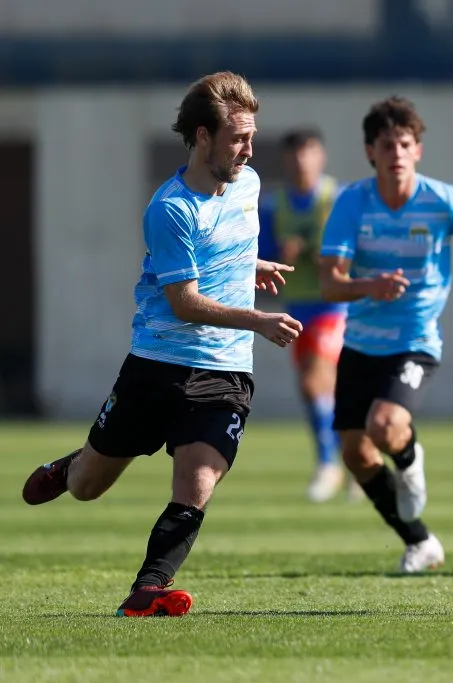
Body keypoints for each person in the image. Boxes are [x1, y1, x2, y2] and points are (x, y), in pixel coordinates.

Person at [20, 71, 303, 617]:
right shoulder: (170, 209)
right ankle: (75, 465)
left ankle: (148, 588)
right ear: (202, 136)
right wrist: (257, 320)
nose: (248, 150)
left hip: (224, 371)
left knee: (199, 479)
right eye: (237, 138)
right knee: (88, 487)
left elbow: (228, 243)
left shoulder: (248, 184)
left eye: (251, 136)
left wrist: (252, 265)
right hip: (156, 365)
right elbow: (184, 302)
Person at [319, 96, 453, 573]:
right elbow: (330, 282)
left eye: (404, 143)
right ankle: (420, 541)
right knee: (356, 454)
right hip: (359, 343)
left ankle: (410, 458)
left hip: (414, 341)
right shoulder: (352, 202)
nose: (396, 152)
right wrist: (369, 286)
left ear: (418, 150)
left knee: (385, 427)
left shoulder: (440, 200)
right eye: (386, 144)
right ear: (370, 152)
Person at [258, 128, 362, 503]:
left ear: (321, 156)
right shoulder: (273, 205)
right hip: (297, 305)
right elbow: (260, 254)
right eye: (295, 153)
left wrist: (336, 258)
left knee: (315, 379)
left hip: (334, 304)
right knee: (317, 387)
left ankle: (329, 464)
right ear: (286, 160)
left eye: (309, 151)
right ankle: (355, 460)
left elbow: (362, 245)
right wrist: (279, 252)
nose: (302, 160)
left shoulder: (339, 197)